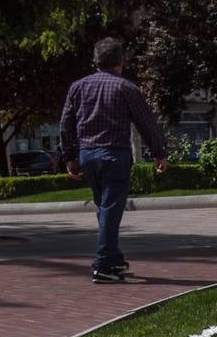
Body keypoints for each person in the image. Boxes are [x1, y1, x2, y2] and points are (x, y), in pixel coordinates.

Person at [58, 37, 168, 284]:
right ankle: (104, 264)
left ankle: (114, 258)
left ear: (95, 61)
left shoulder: (78, 87)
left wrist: (69, 156)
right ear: (121, 61)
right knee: (110, 209)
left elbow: (66, 123)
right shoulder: (126, 88)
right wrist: (159, 153)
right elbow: (146, 123)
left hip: (88, 154)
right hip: (115, 154)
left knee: (104, 208)